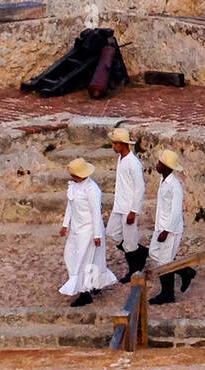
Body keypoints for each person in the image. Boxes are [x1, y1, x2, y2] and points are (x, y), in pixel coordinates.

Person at [60, 158, 119, 307]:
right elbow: (70, 205)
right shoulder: (73, 186)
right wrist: (65, 224)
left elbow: (95, 213)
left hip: (88, 230)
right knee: (71, 255)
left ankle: (84, 292)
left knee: (83, 261)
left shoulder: (92, 190)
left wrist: (97, 234)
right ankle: (93, 283)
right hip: (76, 229)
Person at [148, 149, 195, 305]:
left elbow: (175, 211)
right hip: (160, 226)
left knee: (164, 263)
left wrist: (167, 230)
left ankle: (167, 294)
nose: (157, 165)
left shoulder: (175, 186)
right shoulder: (163, 181)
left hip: (170, 229)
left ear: (167, 167)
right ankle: (184, 271)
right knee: (154, 253)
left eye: (160, 163)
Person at [105, 127, 148, 283]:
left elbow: (140, 187)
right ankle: (141, 252)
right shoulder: (121, 159)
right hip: (119, 205)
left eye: (115, 143)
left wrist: (134, 211)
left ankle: (134, 270)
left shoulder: (133, 163)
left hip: (129, 207)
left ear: (122, 144)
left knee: (129, 242)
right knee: (111, 232)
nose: (113, 146)